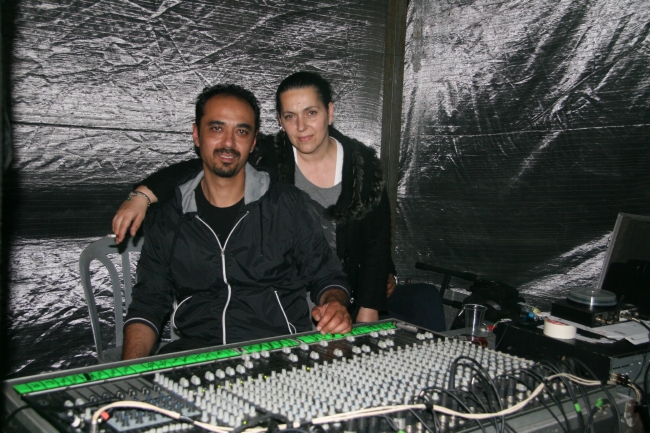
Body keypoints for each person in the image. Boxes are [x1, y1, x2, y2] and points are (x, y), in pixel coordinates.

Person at [114, 72, 393, 324]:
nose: (301, 126)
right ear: (280, 121)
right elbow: (209, 163)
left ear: (329, 112)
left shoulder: (364, 167)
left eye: (311, 112)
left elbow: (377, 243)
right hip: (288, 300)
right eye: (290, 116)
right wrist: (143, 195)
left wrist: (368, 307)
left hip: (340, 297)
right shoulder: (269, 156)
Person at [122, 84, 352, 360]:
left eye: (241, 131)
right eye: (216, 128)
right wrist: (129, 371)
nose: (229, 143)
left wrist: (335, 304)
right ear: (196, 134)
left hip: (279, 354)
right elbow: (147, 305)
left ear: (253, 142)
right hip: (197, 356)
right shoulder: (169, 217)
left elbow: (326, 275)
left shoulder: (286, 204)